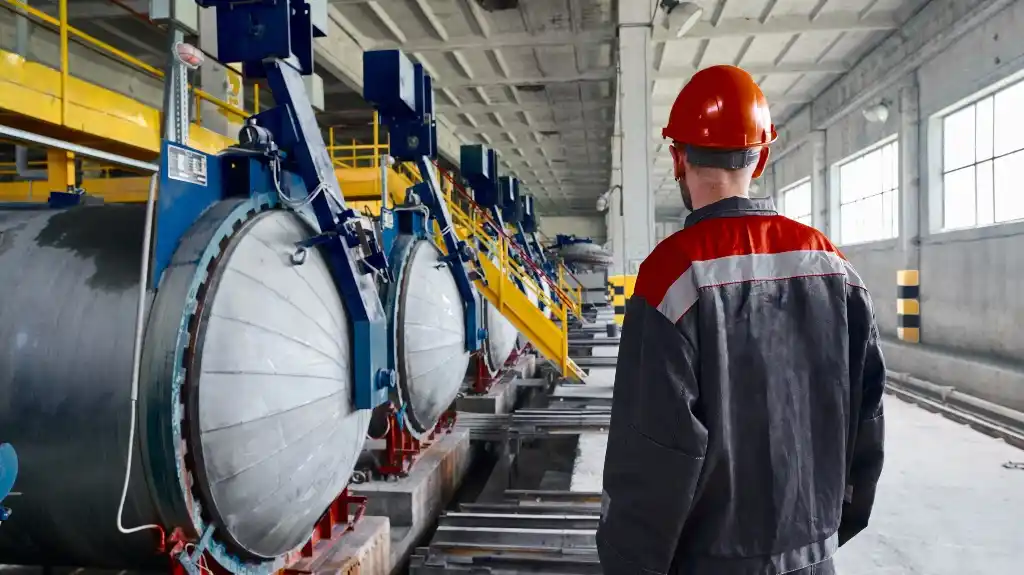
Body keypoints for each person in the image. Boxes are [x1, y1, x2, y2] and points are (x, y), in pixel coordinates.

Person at [596, 65, 886, 575]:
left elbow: (652, 457)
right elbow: (868, 422)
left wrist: (629, 563)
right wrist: (822, 537)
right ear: (762, 156)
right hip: (812, 558)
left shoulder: (671, 277)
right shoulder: (833, 267)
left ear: (677, 157)